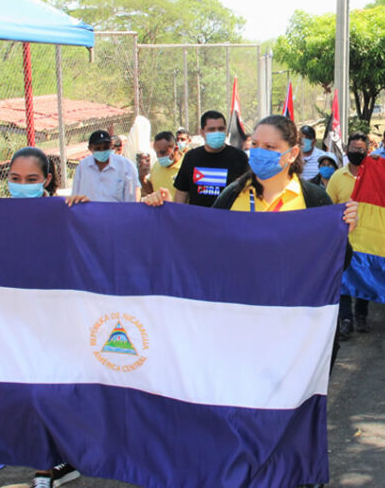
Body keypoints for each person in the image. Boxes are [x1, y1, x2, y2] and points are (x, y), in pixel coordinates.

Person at [143, 116, 359, 375]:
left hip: (294, 327)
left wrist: (343, 230)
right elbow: (200, 247)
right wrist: (161, 211)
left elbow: (339, 263)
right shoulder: (233, 195)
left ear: (291, 154)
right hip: (240, 324)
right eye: (255, 145)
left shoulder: (314, 199)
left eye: (269, 147)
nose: (259, 152)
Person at [7, 147, 87, 488]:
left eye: (31, 180)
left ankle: (52, 463)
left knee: (48, 392)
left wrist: (86, 214)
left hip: (56, 321)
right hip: (13, 319)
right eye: (14, 179)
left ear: (48, 180)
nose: (22, 185)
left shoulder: (64, 212)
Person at [327, 133, 371, 339]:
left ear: (367, 150)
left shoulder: (374, 175)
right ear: (346, 150)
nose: (356, 152)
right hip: (343, 237)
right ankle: (346, 320)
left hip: (369, 238)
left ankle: (361, 315)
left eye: (361, 149)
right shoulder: (337, 177)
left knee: (364, 278)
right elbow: (328, 206)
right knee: (343, 279)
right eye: (353, 148)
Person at [173, 110, 250, 207]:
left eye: (221, 129)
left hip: (228, 218)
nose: (217, 133)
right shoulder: (191, 157)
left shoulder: (239, 157)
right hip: (198, 218)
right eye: (212, 129)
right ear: (202, 132)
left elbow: (248, 190)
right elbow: (181, 192)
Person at [71, 130, 140, 202]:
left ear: (110, 146)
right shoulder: (83, 167)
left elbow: (132, 199)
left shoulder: (126, 166)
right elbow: (75, 195)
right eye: (98, 148)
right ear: (90, 148)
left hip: (117, 212)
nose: (102, 151)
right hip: (90, 212)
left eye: (105, 148)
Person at [149, 131, 182, 201]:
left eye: (163, 152)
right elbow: (151, 190)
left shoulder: (186, 165)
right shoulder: (156, 166)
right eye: (157, 153)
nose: (159, 157)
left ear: (176, 149)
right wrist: (142, 178)